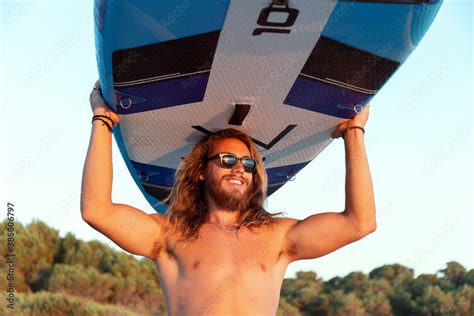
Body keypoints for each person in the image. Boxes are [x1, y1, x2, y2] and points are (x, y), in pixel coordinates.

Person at [81, 80, 376, 315]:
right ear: (200, 171)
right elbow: (97, 211)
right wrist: (102, 121)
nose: (239, 168)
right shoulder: (170, 233)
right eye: (226, 159)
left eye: (248, 164)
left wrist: (354, 133)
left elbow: (360, 223)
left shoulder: (277, 237)